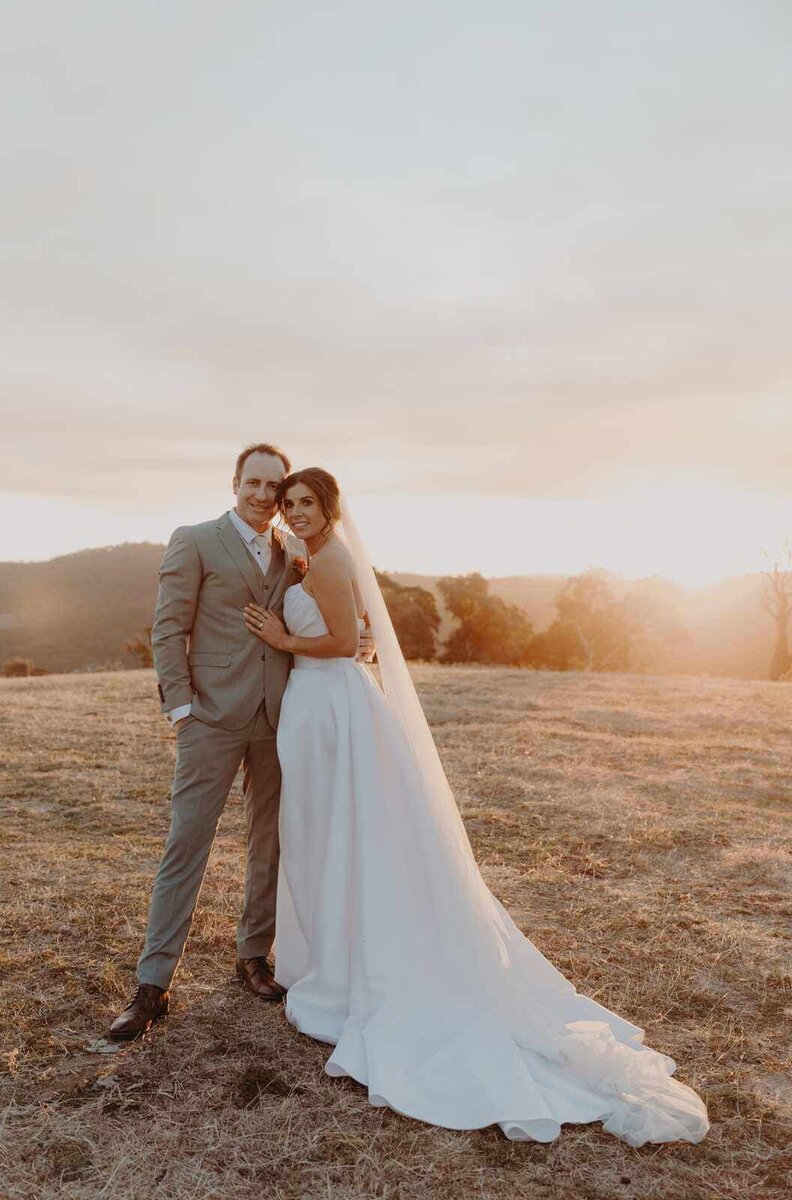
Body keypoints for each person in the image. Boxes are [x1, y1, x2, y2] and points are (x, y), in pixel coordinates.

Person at [244, 467, 710, 1147]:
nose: (297, 513)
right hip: (316, 711)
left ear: (330, 506)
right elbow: (355, 638)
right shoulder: (315, 559)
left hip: (331, 705)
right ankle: (328, 952)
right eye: (289, 505)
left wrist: (284, 641)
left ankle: (346, 965)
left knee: (338, 834)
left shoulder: (334, 562)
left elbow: (345, 644)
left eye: (307, 502)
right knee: (323, 833)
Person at [108, 444, 372, 1039]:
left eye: (274, 488)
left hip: (280, 719)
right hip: (210, 718)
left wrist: (362, 642)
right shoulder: (195, 539)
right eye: (253, 483)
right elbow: (168, 626)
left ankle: (253, 956)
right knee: (186, 845)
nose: (263, 496)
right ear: (234, 483)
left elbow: (337, 612)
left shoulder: (293, 550)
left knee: (271, 843)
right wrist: (181, 707)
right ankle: (152, 986)